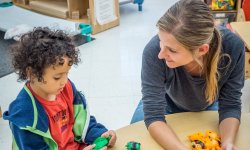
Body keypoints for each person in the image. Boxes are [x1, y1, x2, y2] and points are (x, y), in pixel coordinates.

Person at [130, 0, 245, 149]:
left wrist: (228, 143)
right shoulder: (152, 52)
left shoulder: (233, 47)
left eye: (172, 50)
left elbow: (230, 104)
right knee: (135, 137)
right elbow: (153, 115)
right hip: (164, 103)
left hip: (208, 106)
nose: (160, 54)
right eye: (161, 42)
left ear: (202, 50)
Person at [3, 27, 116, 150]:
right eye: (57, 77)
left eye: (66, 74)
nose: (64, 81)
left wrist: (100, 135)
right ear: (32, 74)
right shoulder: (24, 115)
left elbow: (84, 123)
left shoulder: (67, 89)